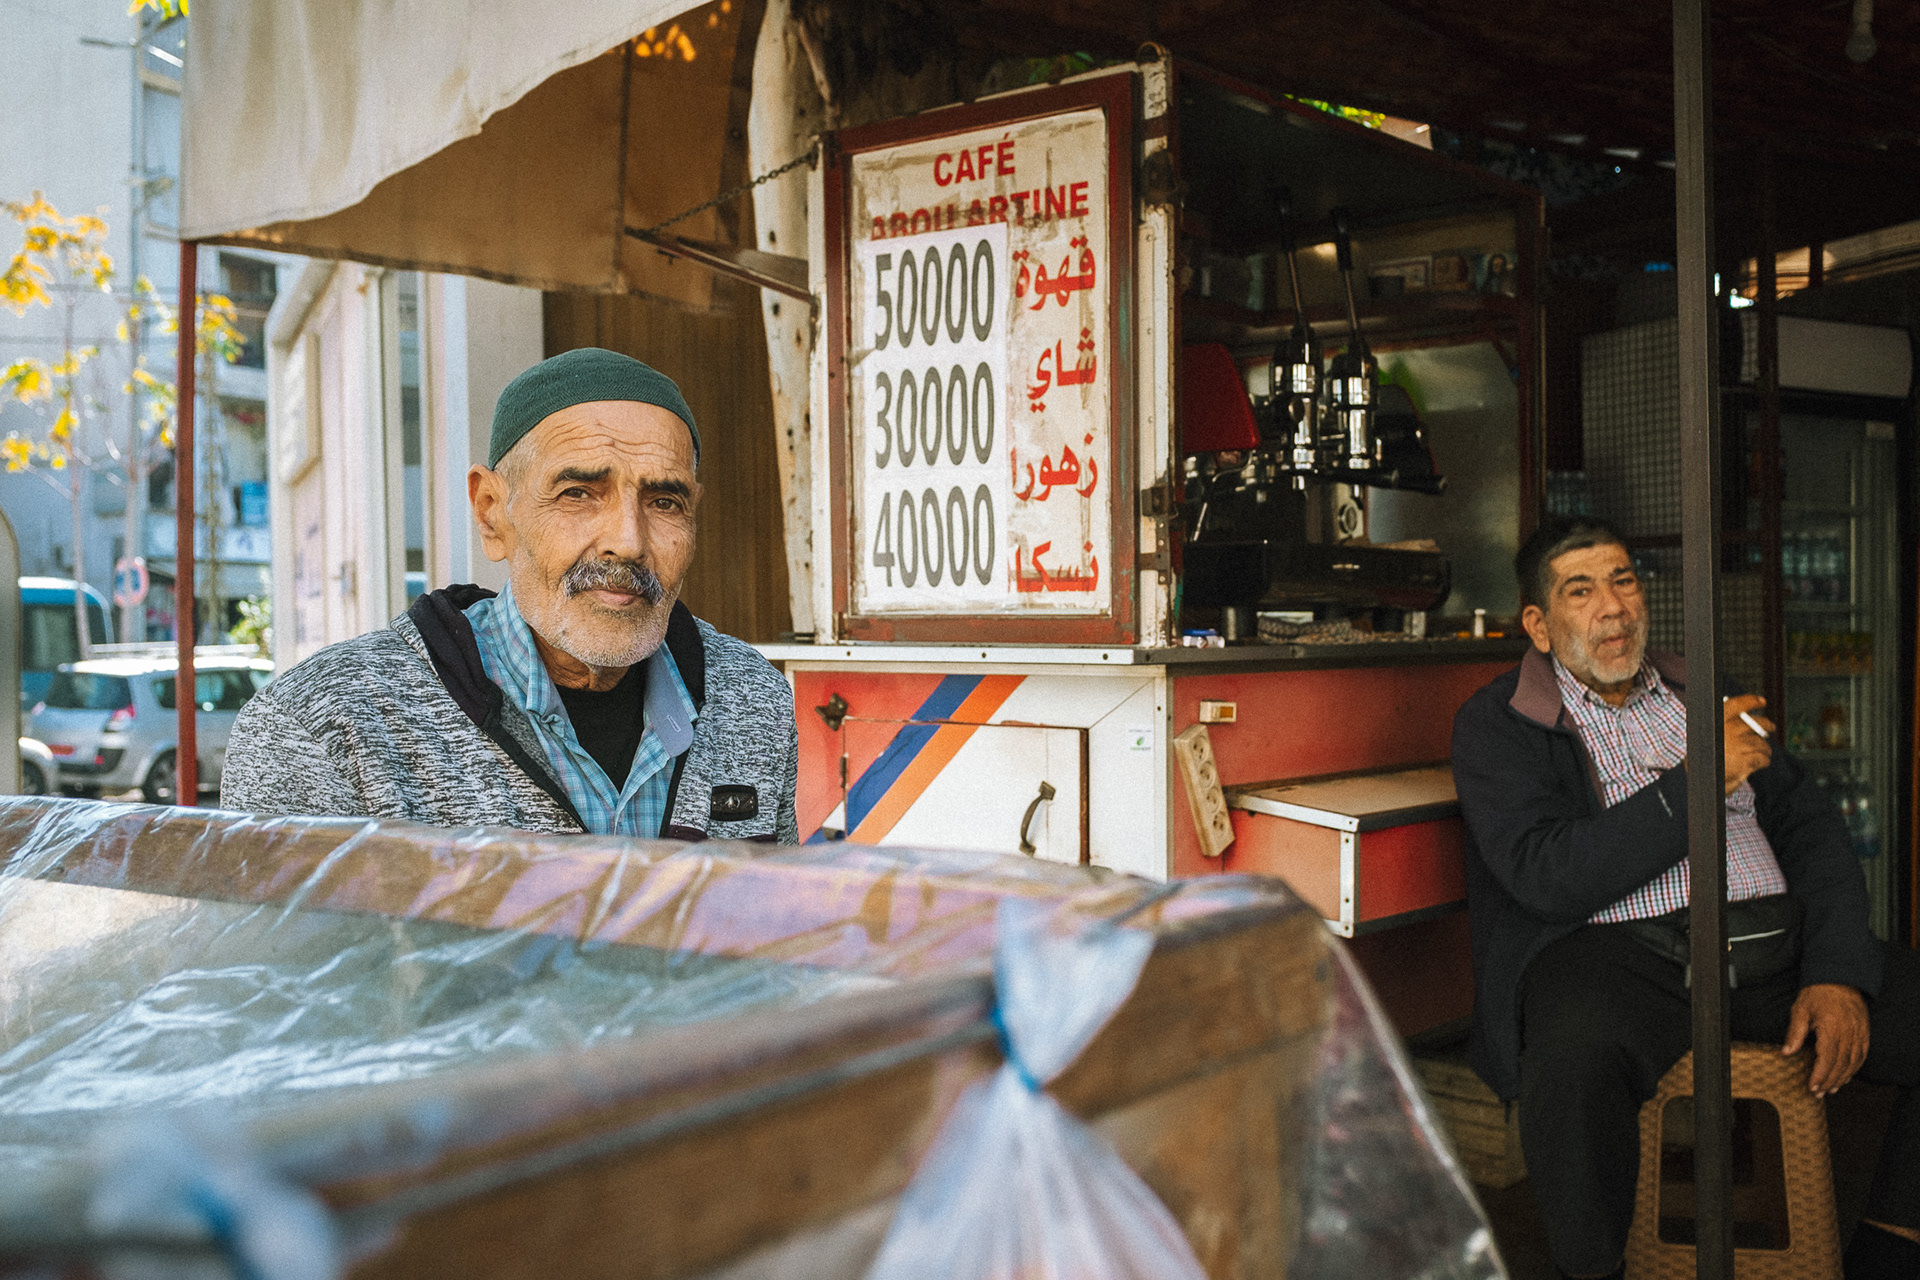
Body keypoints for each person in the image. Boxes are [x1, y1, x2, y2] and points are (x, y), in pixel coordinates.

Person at [1451, 515, 1919, 1280]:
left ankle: (1890, 1254)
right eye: (1580, 591)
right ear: (1538, 624)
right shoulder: (1499, 724)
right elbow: (1546, 872)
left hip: (1773, 945)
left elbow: (1812, 830)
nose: (1613, 607)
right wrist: (1699, 782)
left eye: (1623, 581)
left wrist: (1837, 971)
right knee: (1569, 1070)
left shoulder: (1708, 694)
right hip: (1626, 960)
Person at [223, 347, 798, 843]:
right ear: (492, 514)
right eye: (578, 493)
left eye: (665, 502)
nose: (628, 541)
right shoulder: (326, 728)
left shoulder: (751, 700)